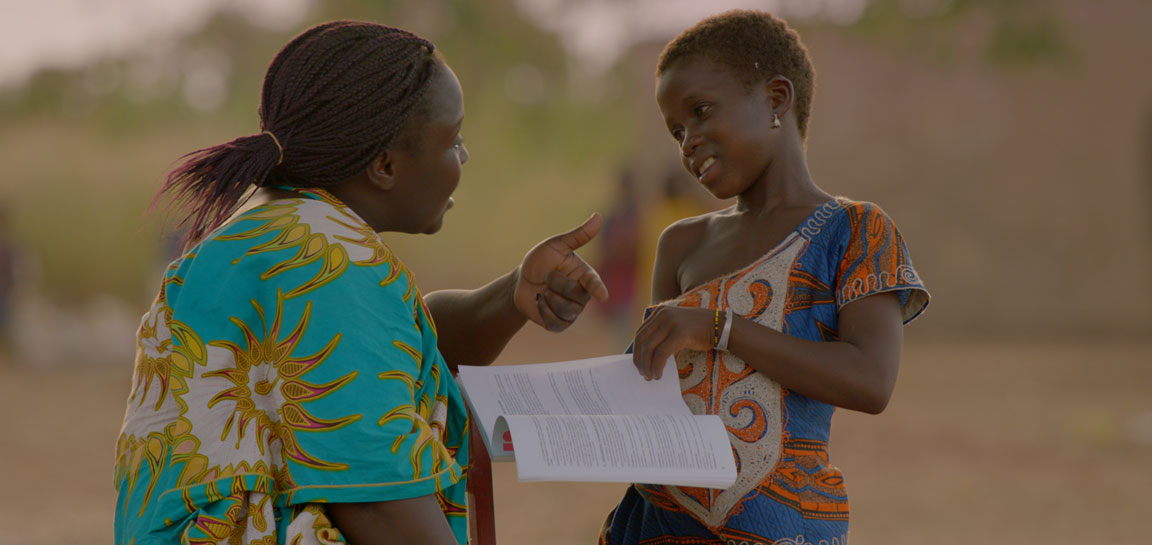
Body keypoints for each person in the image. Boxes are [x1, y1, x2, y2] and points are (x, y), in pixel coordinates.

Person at [114, 21, 607, 545]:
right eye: (453, 139)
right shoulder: (330, 263)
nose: (463, 157)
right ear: (385, 165)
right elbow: (378, 501)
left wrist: (511, 295)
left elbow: (392, 348)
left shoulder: (277, 227)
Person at [600, 10, 929, 545]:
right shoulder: (681, 243)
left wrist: (719, 327)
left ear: (777, 99)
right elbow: (654, 388)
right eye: (677, 130)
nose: (687, 142)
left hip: (782, 528)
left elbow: (871, 381)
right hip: (658, 527)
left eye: (701, 112)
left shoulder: (856, 231)